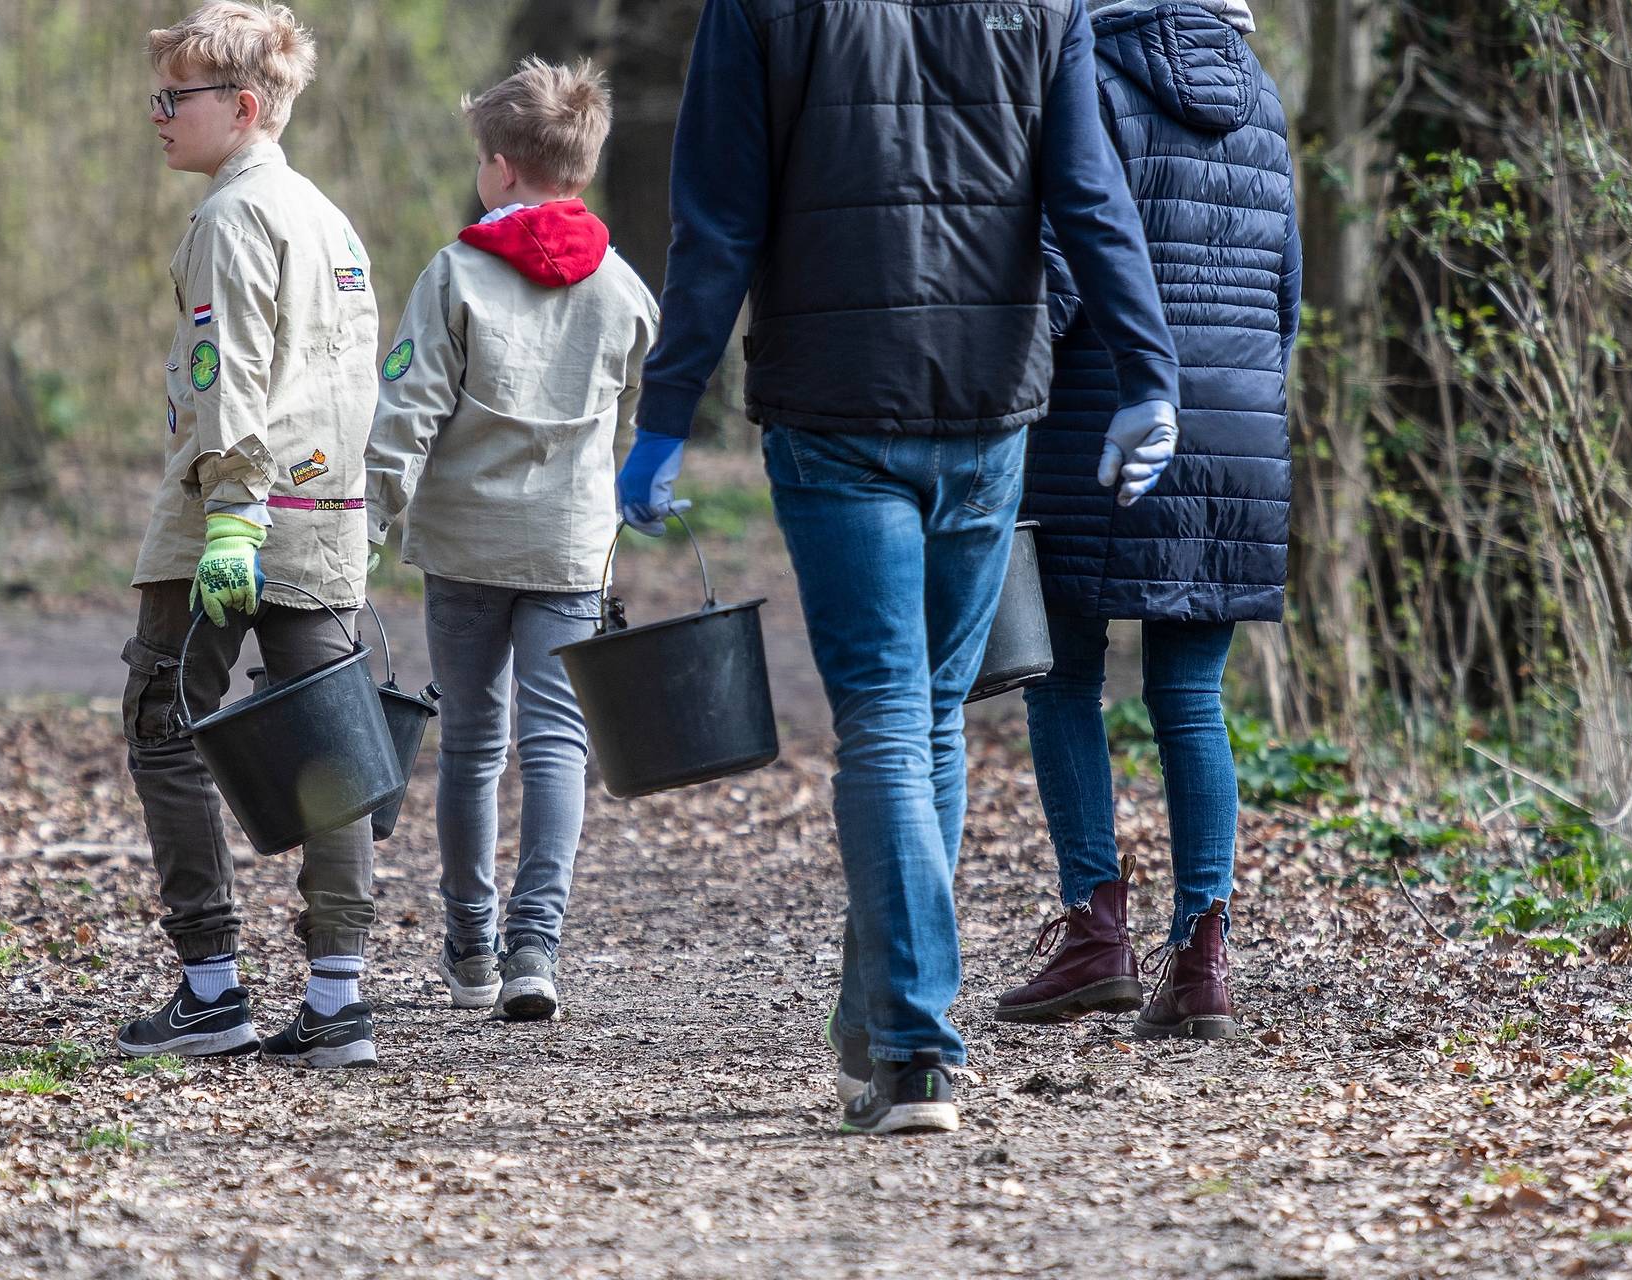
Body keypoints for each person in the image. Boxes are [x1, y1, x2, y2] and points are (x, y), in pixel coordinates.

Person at [626, 0, 1183, 1134]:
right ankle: (884, 1019)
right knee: (925, 711)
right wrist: (1149, 373)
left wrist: (665, 412)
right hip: (986, 405)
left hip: (835, 400)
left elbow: (718, 218)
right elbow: (1087, 194)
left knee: (889, 712)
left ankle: (917, 1048)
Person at [994, 0, 1297, 1041]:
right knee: (1190, 694)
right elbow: (1285, 293)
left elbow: (1066, 269)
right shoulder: (1263, 98)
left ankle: (1096, 932)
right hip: (1237, 434)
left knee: (1063, 675)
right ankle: (1202, 958)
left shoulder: (1089, 74)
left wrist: (1000, 384)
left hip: (1101, 417)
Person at [114, 0, 385, 1070]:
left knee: (163, 719)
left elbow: (229, 380)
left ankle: (211, 986)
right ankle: (337, 998)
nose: (156, 116)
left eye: (174, 98)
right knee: (334, 755)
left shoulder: (233, 220)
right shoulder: (328, 217)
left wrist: (231, 515)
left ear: (243, 105)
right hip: (323, 518)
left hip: (227, 521)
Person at [363, 57, 659, 1023]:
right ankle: (538, 945)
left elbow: (405, 412)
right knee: (557, 743)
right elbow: (632, 409)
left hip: (463, 547)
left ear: (498, 169)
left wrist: (369, 518)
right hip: (571, 544)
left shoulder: (455, 274)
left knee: (473, 747)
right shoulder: (622, 287)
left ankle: (471, 941)